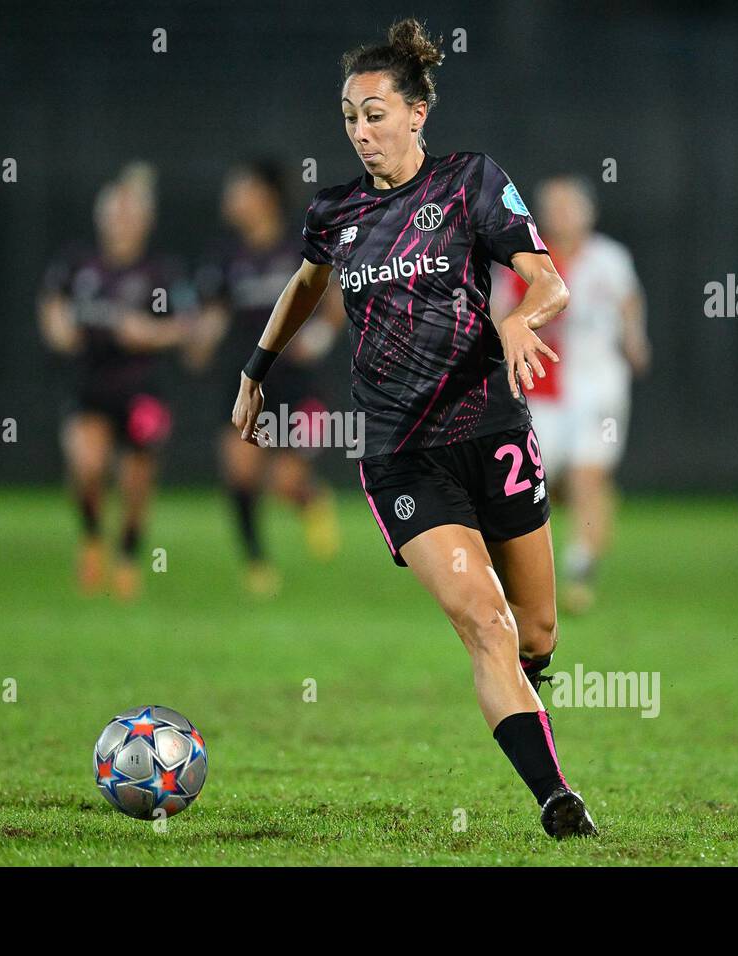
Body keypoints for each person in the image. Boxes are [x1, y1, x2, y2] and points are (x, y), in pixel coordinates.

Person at [230, 19, 597, 838]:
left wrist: (518, 319)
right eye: (351, 117)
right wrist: (256, 368)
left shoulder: (470, 181)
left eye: (376, 113)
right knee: (483, 619)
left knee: (534, 630)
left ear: (417, 113)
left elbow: (547, 282)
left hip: (492, 431)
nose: (362, 131)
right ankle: (556, 801)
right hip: (401, 452)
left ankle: (525, 695)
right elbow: (302, 285)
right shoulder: (336, 211)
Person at [493, 176, 650, 613]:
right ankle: (530, 571)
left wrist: (636, 341)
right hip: (543, 385)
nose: (562, 215)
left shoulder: (609, 258)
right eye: (554, 207)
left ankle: (580, 573)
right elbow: (499, 311)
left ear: (588, 211)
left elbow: (629, 302)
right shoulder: (526, 259)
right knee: (538, 484)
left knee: (587, 474)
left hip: (600, 384)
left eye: (570, 206)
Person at [38, 163, 194, 599]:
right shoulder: (77, 264)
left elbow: (189, 325)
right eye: (113, 213)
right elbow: (52, 304)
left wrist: (150, 332)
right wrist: (57, 328)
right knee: (86, 467)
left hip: (144, 392)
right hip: (89, 386)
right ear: (99, 217)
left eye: (129, 214)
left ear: (145, 222)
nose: (120, 222)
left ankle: (126, 556)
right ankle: (91, 537)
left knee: (135, 483)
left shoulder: (162, 272)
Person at [191, 160, 345, 596]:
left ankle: (310, 498)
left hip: (296, 380)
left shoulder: (300, 245)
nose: (231, 198)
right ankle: (257, 563)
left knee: (284, 481)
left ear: (264, 196)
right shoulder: (225, 257)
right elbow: (213, 314)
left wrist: (319, 334)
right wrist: (199, 340)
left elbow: (333, 298)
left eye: (239, 189)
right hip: (245, 379)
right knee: (239, 471)